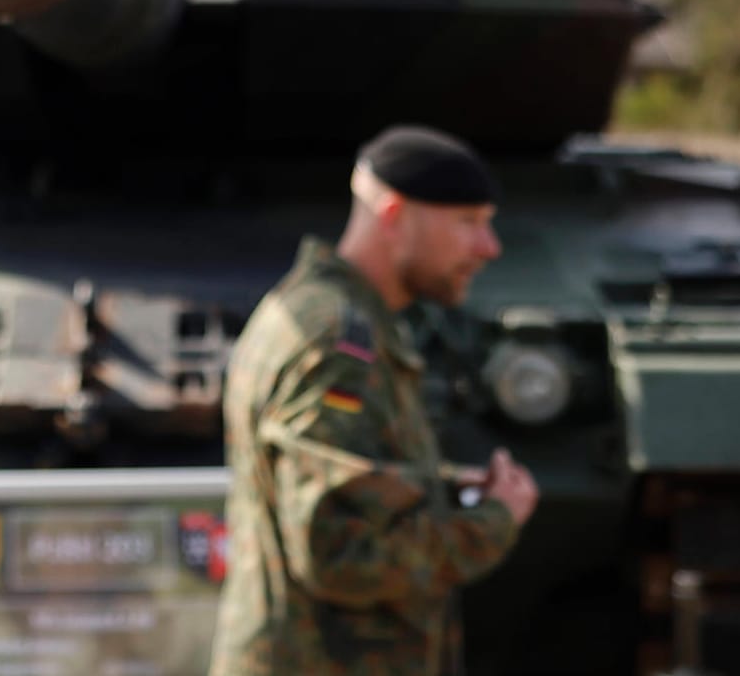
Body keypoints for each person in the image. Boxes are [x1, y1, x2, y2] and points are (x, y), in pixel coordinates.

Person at [209, 125, 539, 676]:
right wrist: (493, 523)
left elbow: (344, 485)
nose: (489, 247)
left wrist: (445, 488)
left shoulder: (332, 316)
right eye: (468, 222)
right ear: (393, 215)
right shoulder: (339, 341)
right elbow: (339, 553)